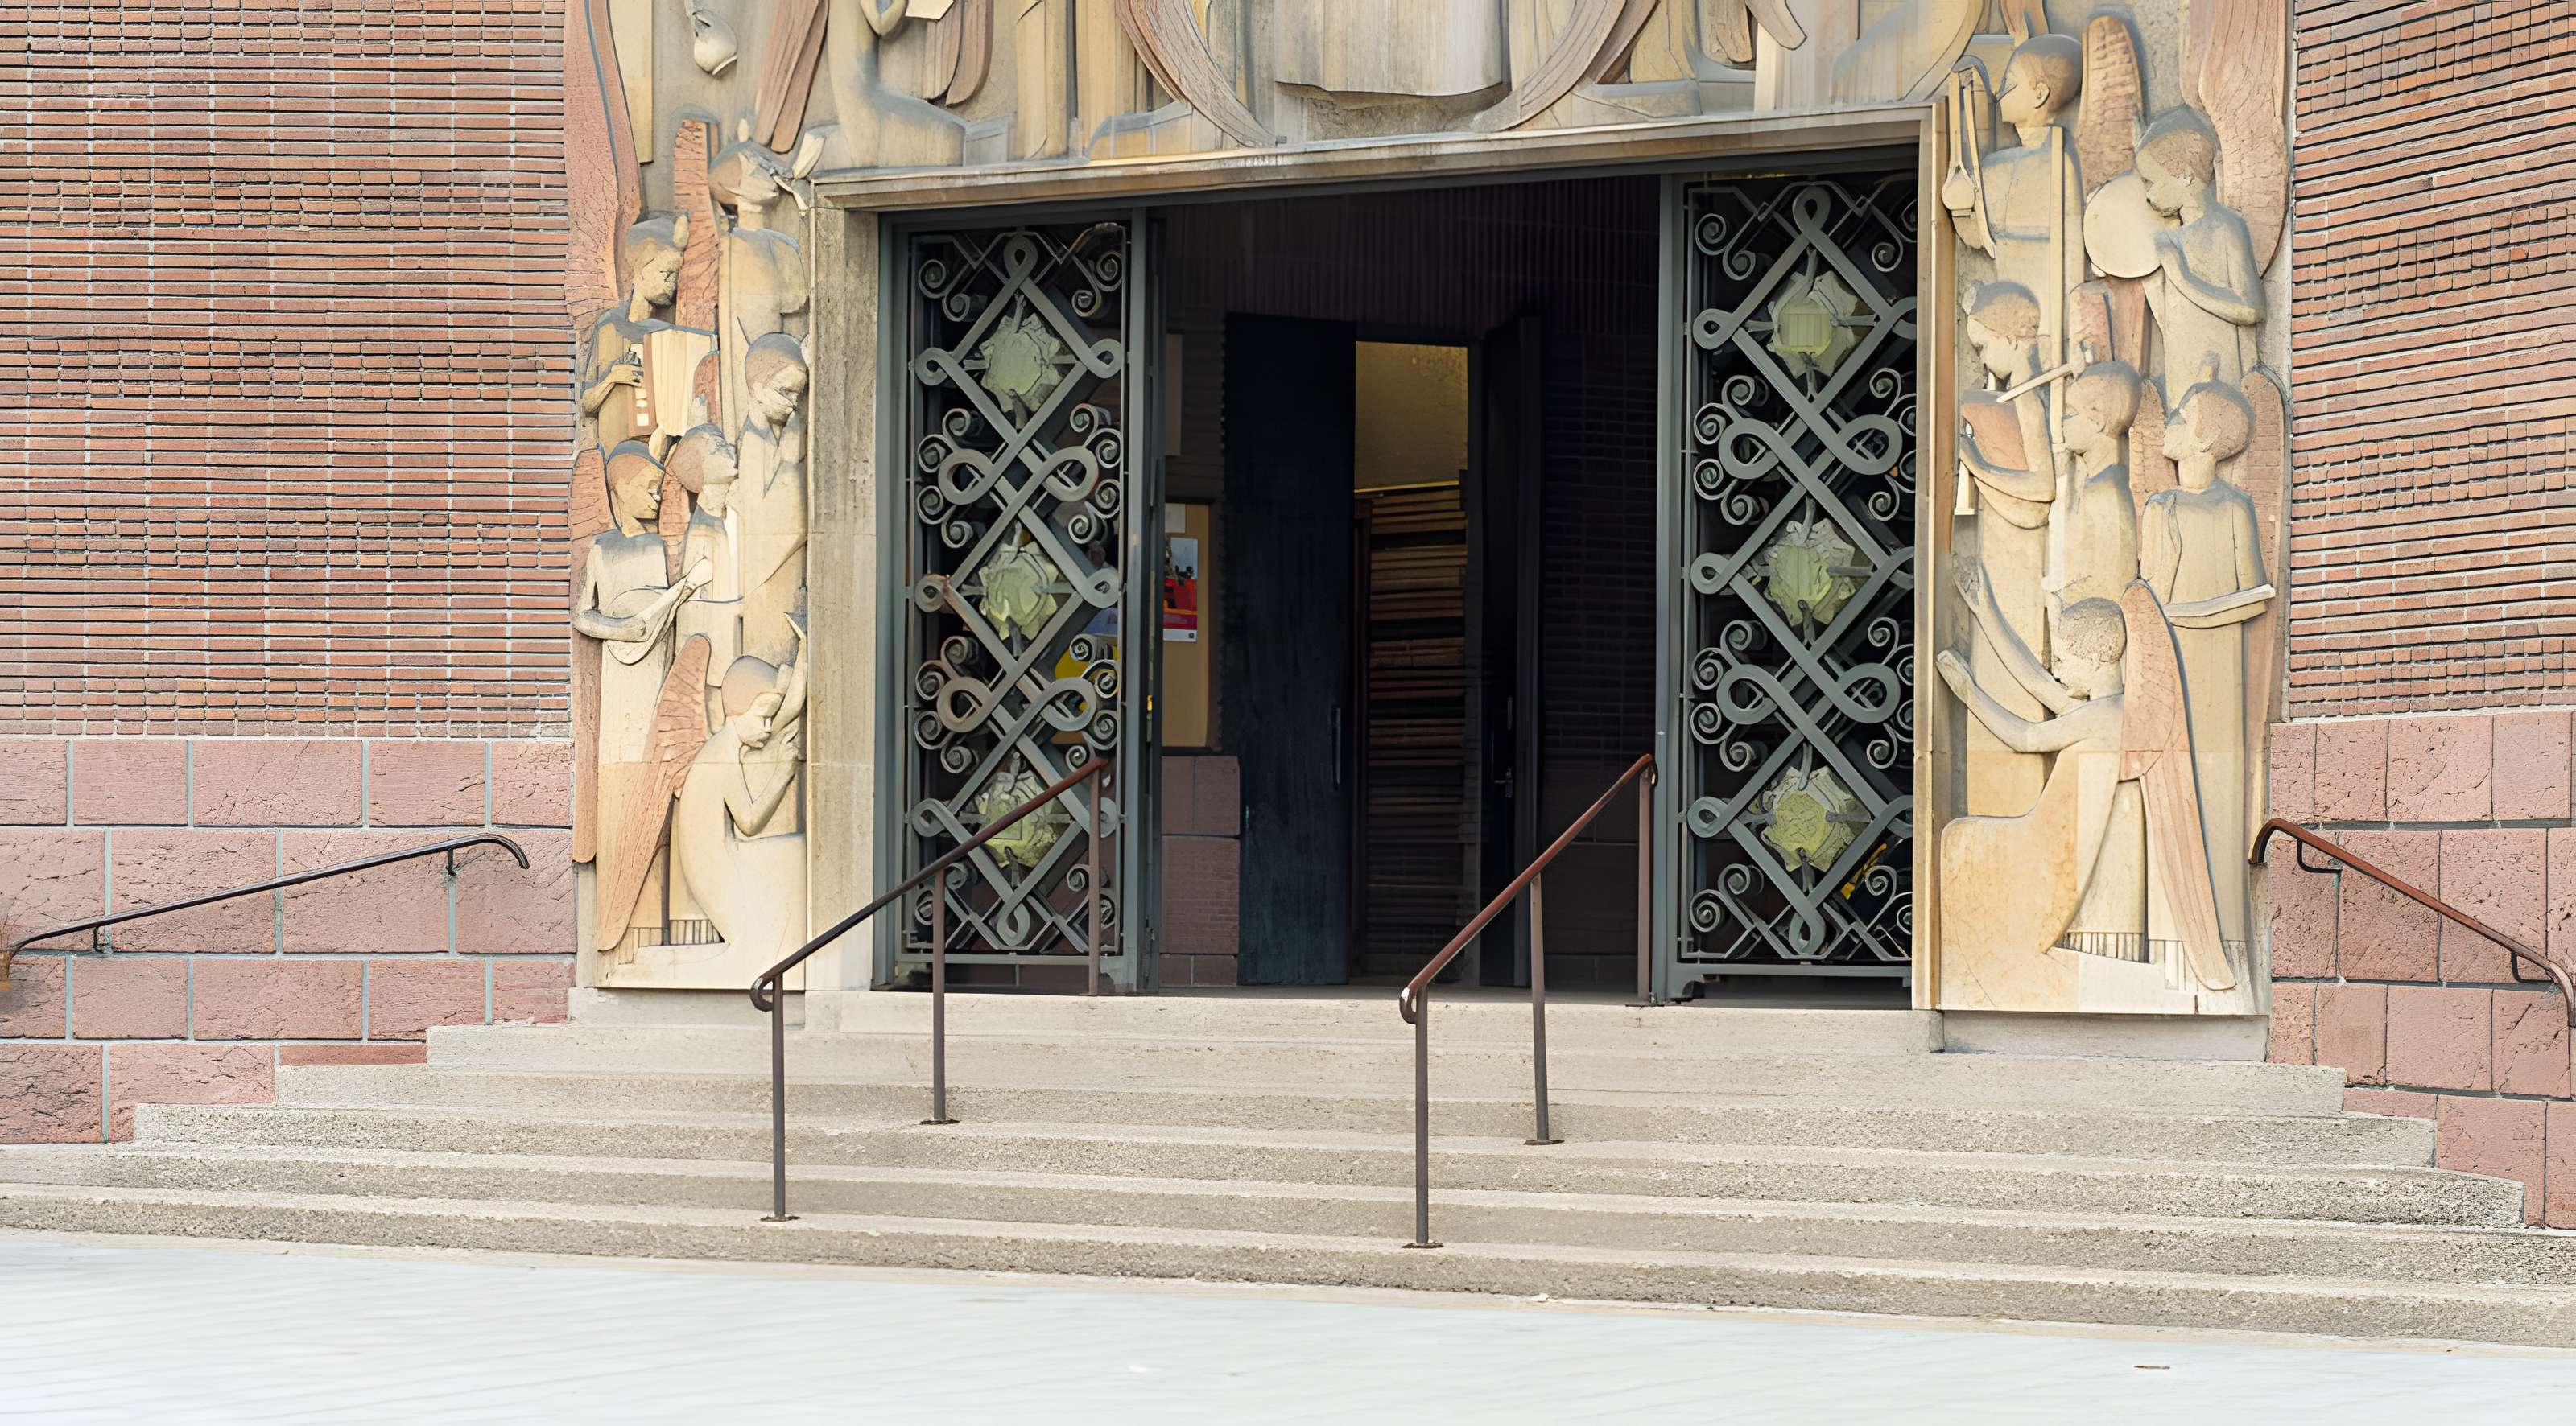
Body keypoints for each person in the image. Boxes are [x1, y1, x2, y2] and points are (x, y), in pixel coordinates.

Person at [2141, 375, 2273, 950]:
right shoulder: (2158, 507)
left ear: (2202, 438)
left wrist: (2187, 617)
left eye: (2180, 416)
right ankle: (2173, 935)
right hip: (2166, 666)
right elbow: (2146, 596)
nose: (2168, 423)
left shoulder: (2235, 507)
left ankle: (2225, 936)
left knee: (2215, 790)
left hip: (2218, 666)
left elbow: (2256, 594)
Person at [2136, 110, 2263, 389]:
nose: (2148, 195)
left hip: (2222, 380)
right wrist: (2151, 280)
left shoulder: (2226, 226)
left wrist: (2182, 278)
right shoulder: (2172, 239)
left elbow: (2251, 309)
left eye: (2152, 182)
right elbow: (2171, 328)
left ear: (2183, 174)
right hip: (2180, 380)